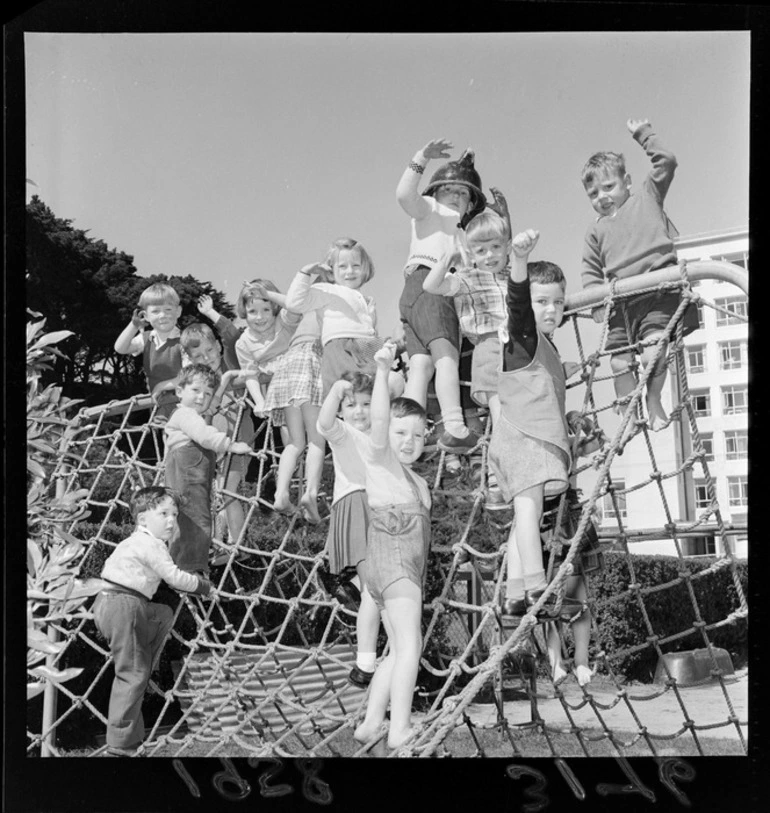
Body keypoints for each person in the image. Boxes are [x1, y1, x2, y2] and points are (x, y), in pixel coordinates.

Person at [581, 118, 698, 431]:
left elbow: (668, 161)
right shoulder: (595, 230)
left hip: (658, 290)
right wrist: (595, 301)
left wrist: (643, 135)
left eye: (609, 187)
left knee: (653, 352)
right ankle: (628, 416)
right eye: (593, 193)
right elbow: (590, 268)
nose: (602, 196)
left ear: (627, 182)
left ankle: (654, 397)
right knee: (618, 363)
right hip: (622, 303)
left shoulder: (647, 197)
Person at [490, 229, 583, 619]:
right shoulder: (523, 336)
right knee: (528, 515)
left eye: (558, 303)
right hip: (524, 438)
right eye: (541, 301)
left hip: (532, 439)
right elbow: (517, 305)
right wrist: (520, 261)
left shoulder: (547, 348)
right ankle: (535, 589)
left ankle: (513, 593)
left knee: (521, 521)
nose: (551, 310)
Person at [352, 341, 432, 751]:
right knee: (410, 647)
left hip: (399, 571)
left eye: (418, 434)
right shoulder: (381, 462)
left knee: (398, 649)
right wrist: (383, 372)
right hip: (395, 566)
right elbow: (380, 421)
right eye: (402, 432)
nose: (409, 440)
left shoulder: (417, 481)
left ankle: (370, 723)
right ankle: (399, 727)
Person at [92, 486, 212, 756]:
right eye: (164, 513)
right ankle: (119, 745)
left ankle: (131, 738)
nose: (171, 520)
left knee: (163, 614)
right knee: (132, 675)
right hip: (125, 605)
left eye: (175, 514)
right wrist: (204, 587)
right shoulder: (150, 544)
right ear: (143, 519)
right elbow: (175, 578)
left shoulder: (133, 542)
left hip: (109, 605)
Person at [422, 191, 513, 507]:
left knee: (519, 415)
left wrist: (504, 216)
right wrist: (448, 259)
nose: (489, 255)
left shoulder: (508, 275)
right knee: (500, 415)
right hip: (488, 348)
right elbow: (431, 286)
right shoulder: (467, 278)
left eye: (495, 248)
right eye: (481, 250)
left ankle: (510, 473)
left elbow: (506, 241)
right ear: (471, 253)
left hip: (517, 349)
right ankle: (495, 480)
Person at [396, 138, 487, 453]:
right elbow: (404, 195)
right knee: (446, 358)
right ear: (434, 192)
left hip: (417, 293)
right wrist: (420, 158)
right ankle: (453, 424)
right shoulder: (430, 210)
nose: (457, 196)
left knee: (421, 365)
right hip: (431, 284)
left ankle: (407, 426)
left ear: (471, 206)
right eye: (451, 189)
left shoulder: (462, 234)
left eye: (464, 194)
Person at [316, 370, 382, 688]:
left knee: (379, 585)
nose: (360, 411)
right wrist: (336, 392)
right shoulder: (343, 432)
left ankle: (349, 585)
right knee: (376, 588)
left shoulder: (383, 433)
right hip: (356, 504)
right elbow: (324, 424)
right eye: (352, 404)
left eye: (367, 403)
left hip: (380, 508)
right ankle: (365, 663)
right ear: (343, 410)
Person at [180, 299, 256, 561]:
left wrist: (211, 313)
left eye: (210, 350)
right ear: (190, 360)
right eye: (198, 356)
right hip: (215, 444)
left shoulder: (228, 363)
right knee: (211, 492)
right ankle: (220, 544)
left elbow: (234, 334)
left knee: (227, 489)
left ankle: (239, 546)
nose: (207, 358)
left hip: (237, 436)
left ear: (218, 346)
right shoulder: (200, 382)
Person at [284, 238, 403, 398]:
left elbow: (371, 334)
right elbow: (294, 303)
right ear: (331, 270)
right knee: (350, 391)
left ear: (365, 268)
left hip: (365, 348)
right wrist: (305, 273)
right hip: (341, 349)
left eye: (356, 265)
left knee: (394, 381)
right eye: (342, 266)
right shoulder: (327, 291)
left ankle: (375, 415)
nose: (350, 271)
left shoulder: (367, 301)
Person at [164, 363, 253, 574]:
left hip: (189, 477)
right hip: (187, 477)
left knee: (191, 519)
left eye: (207, 393)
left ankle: (186, 566)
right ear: (179, 391)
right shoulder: (186, 415)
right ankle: (189, 570)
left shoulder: (190, 414)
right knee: (196, 520)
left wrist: (228, 376)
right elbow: (204, 435)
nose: (201, 398)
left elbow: (211, 406)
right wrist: (231, 445)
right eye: (195, 390)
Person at [255, 282, 328, 524]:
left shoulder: (299, 313)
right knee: (317, 439)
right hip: (311, 363)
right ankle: (310, 493)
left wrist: (260, 358)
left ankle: (281, 492)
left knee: (296, 442)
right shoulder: (330, 308)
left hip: (289, 366)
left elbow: (289, 306)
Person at [114, 282, 184, 421]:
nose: (162, 315)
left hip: (185, 401)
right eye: (155, 311)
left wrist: (161, 386)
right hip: (161, 404)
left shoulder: (184, 340)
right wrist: (133, 326)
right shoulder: (146, 339)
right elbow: (120, 348)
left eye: (168, 309)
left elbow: (191, 375)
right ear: (146, 316)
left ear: (178, 311)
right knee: (169, 440)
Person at [234, 279, 302, 417]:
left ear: (275, 308)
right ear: (244, 312)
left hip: (301, 383)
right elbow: (250, 375)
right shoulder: (244, 343)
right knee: (287, 426)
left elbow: (294, 306)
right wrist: (259, 402)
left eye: (266, 309)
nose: (260, 317)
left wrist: (269, 294)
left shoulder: (285, 322)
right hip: (280, 396)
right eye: (252, 311)